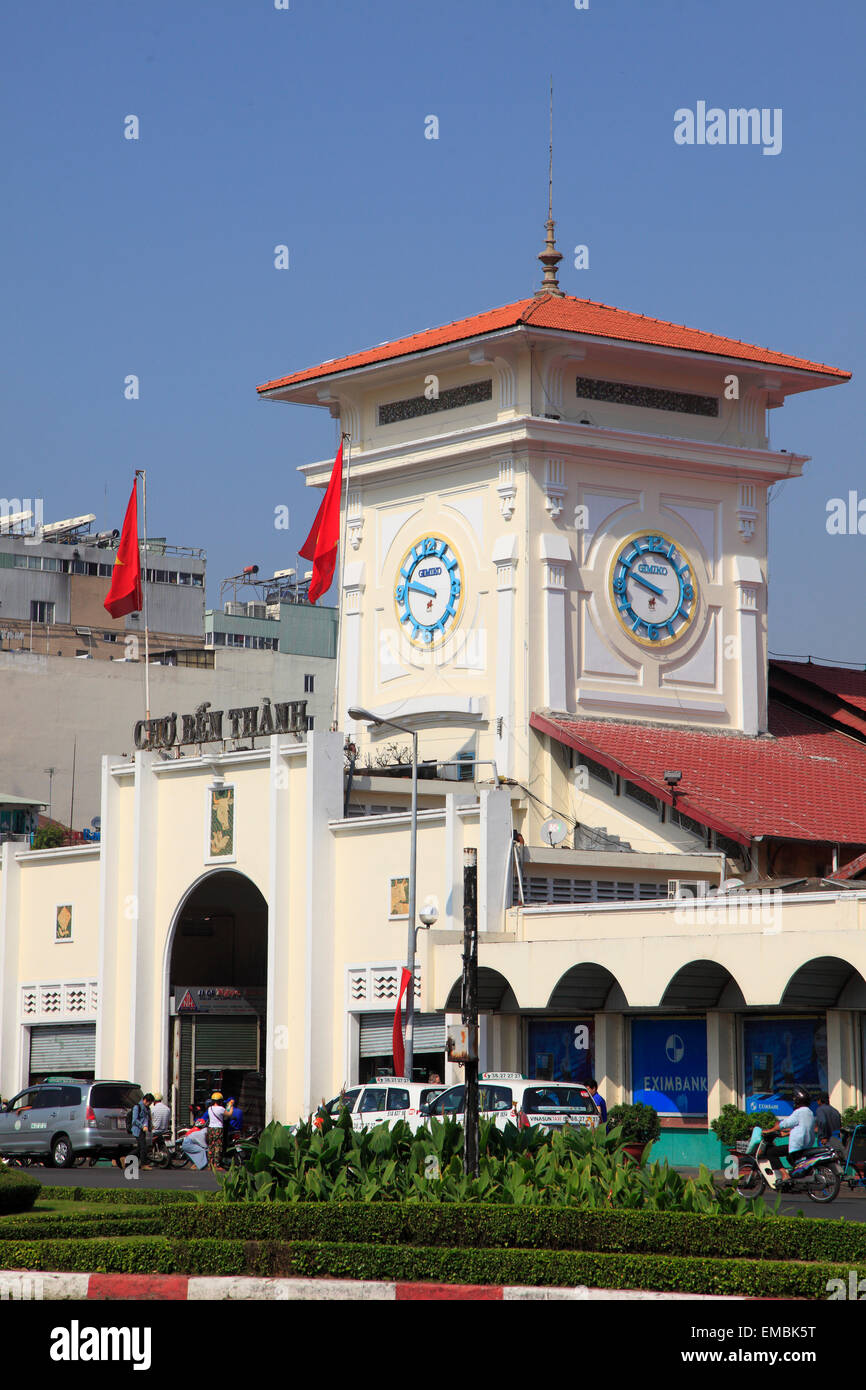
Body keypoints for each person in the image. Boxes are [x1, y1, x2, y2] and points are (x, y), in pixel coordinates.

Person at [762, 1088, 816, 1174]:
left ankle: (784, 1175)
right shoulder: (810, 1112)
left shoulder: (799, 1112)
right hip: (806, 1145)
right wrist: (786, 1133)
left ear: (797, 1100)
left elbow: (785, 1124)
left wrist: (769, 1130)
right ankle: (798, 1173)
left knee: (771, 1152)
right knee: (788, 1157)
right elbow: (801, 1127)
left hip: (797, 1145)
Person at [205, 1091, 233, 1171]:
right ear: (220, 1101)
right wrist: (231, 1105)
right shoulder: (221, 1109)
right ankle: (216, 1164)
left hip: (210, 1128)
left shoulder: (209, 1109)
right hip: (218, 1128)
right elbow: (229, 1114)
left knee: (211, 1146)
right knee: (218, 1146)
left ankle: (210, 1164)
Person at [131, 1093, 153, 1170]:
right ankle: (143, 1164)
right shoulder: (137, 1107)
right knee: (143, 1147)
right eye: (149, 1103)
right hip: (138, 1130)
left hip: (143, 1130)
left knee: (140, 1147)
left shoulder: (147, 1108)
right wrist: (142, 1126)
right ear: (145, 1100)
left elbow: (147, 1119)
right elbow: (134, 1120)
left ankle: (126, 1158)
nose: (149, 1105)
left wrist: (150, 1127)